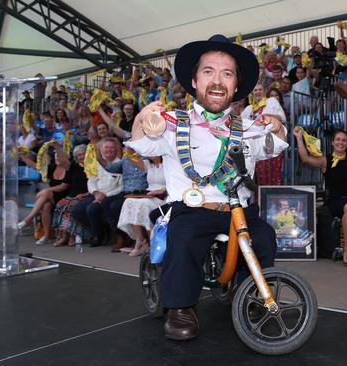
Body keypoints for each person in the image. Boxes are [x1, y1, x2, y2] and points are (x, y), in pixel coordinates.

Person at [125, 34, 287, 341]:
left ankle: (250, 294)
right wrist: (143, 119)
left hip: (238, 211)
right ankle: (181, 307)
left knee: (263, 237)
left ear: (236, 87)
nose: (217, 81)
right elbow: (144, 144)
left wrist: (278, 127)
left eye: (227, 74)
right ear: (195, 81)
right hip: (192, 209)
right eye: (209, 72)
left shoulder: (250, 127)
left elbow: (275, 143)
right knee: (183, 238)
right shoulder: (173, 123)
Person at [293, 127, 347, 267]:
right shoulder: (326, 160)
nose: (340, 142)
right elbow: (305, 159)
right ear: (332, 142)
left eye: (344, 140)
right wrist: (299, 138)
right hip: (336, 199)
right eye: (338, 140)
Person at [71, 138, 123, 247]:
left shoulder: (120, 163)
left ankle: (98, 236)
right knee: (76, 210)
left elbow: (122, 186)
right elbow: (91, 180)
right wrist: (95, 193)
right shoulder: (97, 163)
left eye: (112, 147)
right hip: (97, 194)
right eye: (106, 147)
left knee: (92, 209)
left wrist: (105, 196)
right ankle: (101, 228)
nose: (109, 150)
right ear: (101, 150)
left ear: (116, 149)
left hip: (113, 195)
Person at [17, 142, 71, 245]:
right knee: (46, 206)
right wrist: (21, 156)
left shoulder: (68, 168)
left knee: (46, 192)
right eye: (55, 157)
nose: (57, 158)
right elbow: (35, 166)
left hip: (65, 196)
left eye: (59, 156)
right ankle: (46, 235)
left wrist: (46, 191)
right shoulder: (52, 168)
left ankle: (28, 219)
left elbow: (63, 187)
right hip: (51, 196)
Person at [116, 156, 165, 256]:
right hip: (149, 194)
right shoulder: (147, 164)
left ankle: (153, 243)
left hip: (165, 196)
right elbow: (131, 157)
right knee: (129, 201)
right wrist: (128, 143)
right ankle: (140, 241)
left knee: (144, 204)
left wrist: (162, 190)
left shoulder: (169, 164)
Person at [51, 144, 89, 247]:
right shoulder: (74, 167)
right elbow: (63, 161)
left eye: (83, 154)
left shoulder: (91, 166)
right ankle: (63, 236)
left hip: (86, 195)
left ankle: (72, 236)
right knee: (61, 205)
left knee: (71, 207)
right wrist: (57, 148)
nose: (81, 157)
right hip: (71, 195)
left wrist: (85, 194)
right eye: (79, 155)